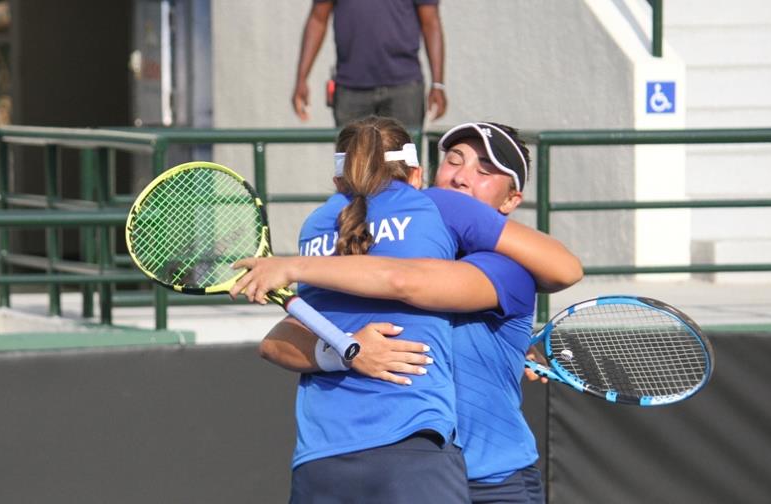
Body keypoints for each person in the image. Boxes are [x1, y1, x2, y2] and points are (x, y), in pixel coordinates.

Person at [232, 120, 582, 503]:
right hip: (419, 468)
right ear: (422, 175)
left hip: (493, 483)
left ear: (510, 201)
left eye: (484, 171)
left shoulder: (505, 268)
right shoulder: (377, 250)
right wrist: (345, 350)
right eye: (453, 161)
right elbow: (277, 341)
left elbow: (410, 280)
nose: (463, 178)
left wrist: (294, 265)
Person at [291, 0, 446, 129]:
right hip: (350, 88)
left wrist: (438, 84)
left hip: (404, 88)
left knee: (402, 163)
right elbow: (318, 20)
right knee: (353, 163)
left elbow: (431, 23)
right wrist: (301, 79)